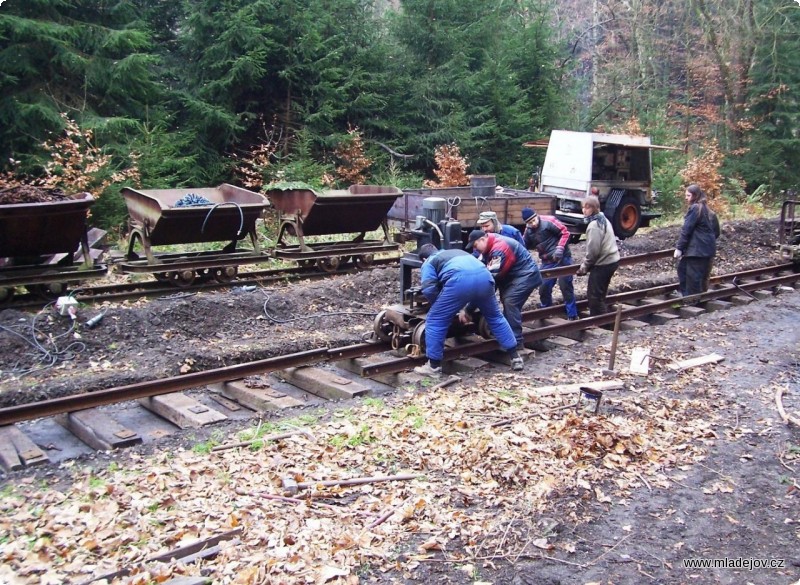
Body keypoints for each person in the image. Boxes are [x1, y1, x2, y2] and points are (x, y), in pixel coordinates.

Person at [413, 244, 524, 378]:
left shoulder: (429, 262)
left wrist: (439, 305)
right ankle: (515, 357)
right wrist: (466, 308)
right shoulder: (458, 251)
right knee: (495, 317)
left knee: (435, 320)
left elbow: (429, 289)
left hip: (460, 281)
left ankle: (433, 367)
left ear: (424, 258)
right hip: (485, 278)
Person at [466, 229, 543, 350]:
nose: (476, 249)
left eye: (475, 246)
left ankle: (516, 342)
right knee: (507, 300)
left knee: (510, 302)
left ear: (482, 239)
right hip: (513, 276)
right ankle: (508, 337)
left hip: (526, 275)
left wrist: (469, 309)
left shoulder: (499, 249)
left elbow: (489, 281)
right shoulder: (490, 243)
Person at [521, 207, 579, 320]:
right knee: (544, 287)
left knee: (566, 287)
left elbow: (565, 232)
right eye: (529, 222)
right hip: (547, 261)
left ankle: (572, 315)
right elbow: (523, 245)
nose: (532, 224)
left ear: (536, 216)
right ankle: (546, 312)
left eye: (533, 220)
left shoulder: (549, 221)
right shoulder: (528, 231)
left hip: (562, 258)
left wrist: (560, 248)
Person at [575, 196, 620, 316]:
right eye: (583, 207)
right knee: (600, 295)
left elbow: (593, 251)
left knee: (594, 297)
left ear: (594, 208)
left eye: (587, 207)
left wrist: (584, 266)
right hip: (612, 260)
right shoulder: (602, 218)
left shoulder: (594, 225)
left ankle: (600, 323)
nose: (584, 210)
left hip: (604, 263)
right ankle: (603, 320)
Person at [674, 184, 721, 296]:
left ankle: (692, 300)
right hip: (706, 249)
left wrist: (679, 248)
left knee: (693, 276)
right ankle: (690, 296)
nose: (686, 198)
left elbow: (687, 229)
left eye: (688, 195)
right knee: (684, 270)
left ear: (695, 196)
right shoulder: (709, 211)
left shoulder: (695, 208)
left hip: (697, 251)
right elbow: (716, 232)